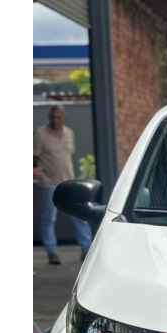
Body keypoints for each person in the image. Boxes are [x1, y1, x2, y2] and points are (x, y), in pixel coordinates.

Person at [33, 105, 93, 264]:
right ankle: (51, 252)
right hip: (49, 183)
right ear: (49, 117)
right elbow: (33, 156)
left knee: (79, 215)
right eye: (53, 117)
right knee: (48, 219)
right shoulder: (40, 134)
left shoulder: (69, 133)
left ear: (64, 118)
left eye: (58, 117)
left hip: (69, 182)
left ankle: (86, 249)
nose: (55, 120)